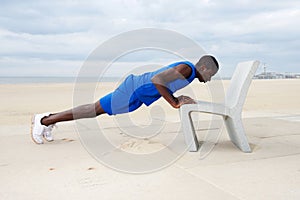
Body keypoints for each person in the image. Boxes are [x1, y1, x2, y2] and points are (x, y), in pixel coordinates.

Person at [30, 55, 219, 144]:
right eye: (211, 73)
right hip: (134, 90)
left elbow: (164, 82)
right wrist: (174, 102)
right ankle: (44, 120)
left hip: (137, 93)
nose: (210, 78)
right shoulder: (187, 69)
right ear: (203, 66)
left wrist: (176, 97)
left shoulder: (189, 72)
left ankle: (48, 119)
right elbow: (157, 80)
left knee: (93, 110)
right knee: (93, 110)